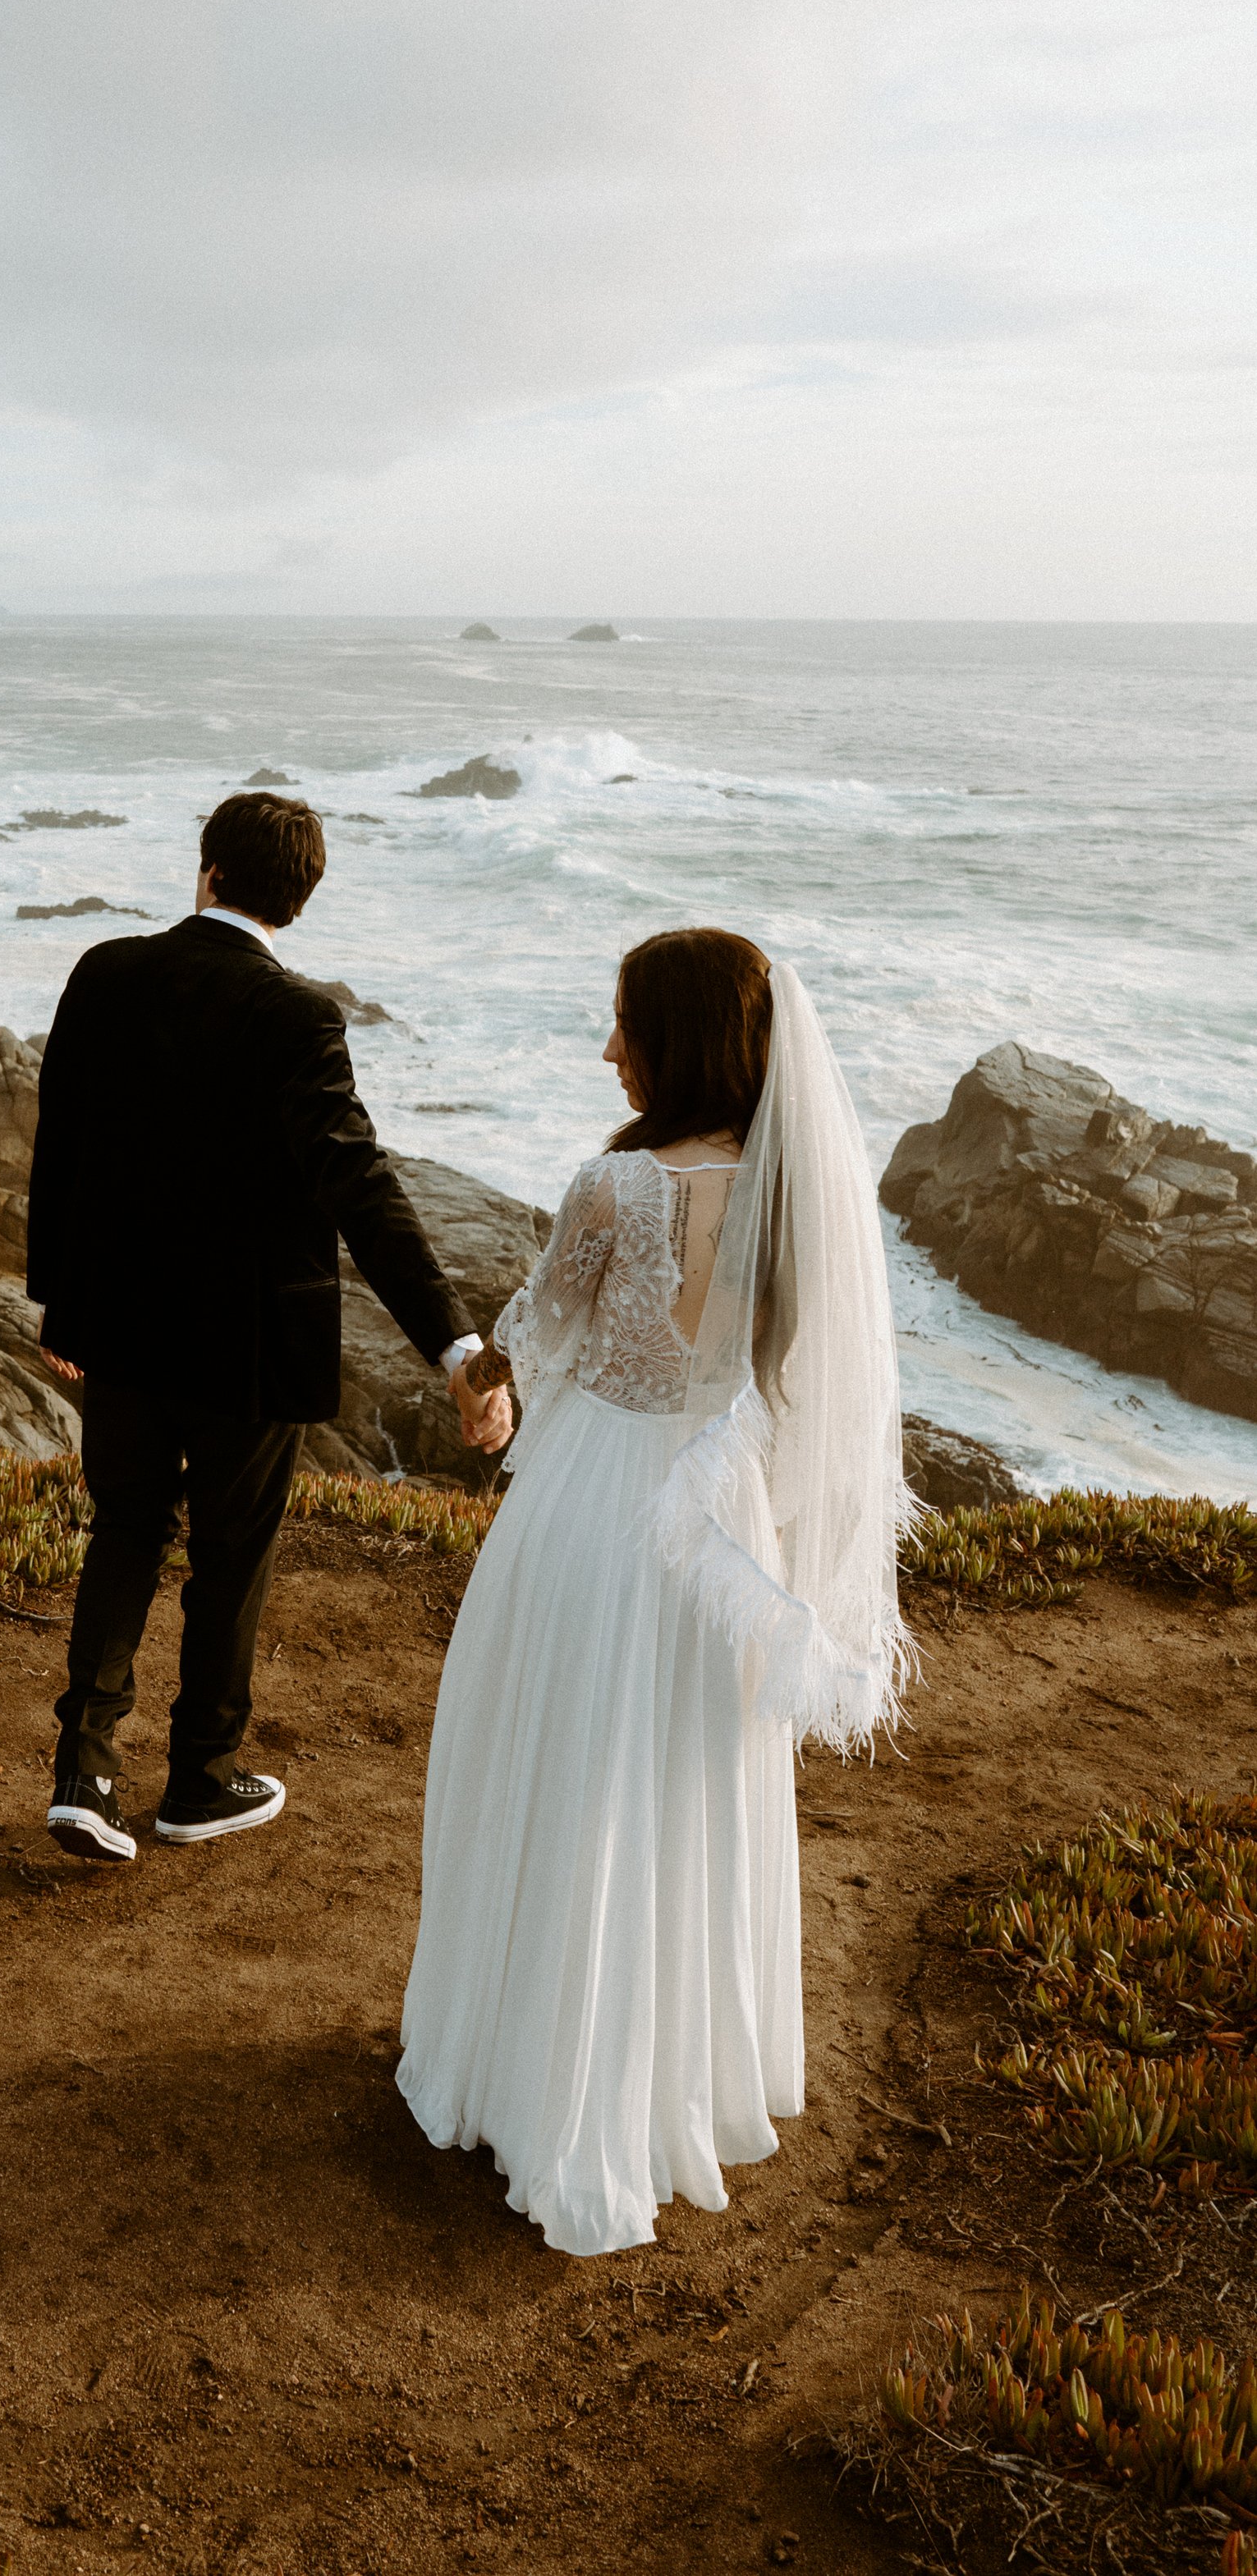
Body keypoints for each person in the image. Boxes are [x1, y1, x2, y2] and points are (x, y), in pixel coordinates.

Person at [397, 928, 915, 2257]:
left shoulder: (614, 1186)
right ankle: (671, 2079)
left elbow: (540, 1343)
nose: (606, 1048)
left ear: (675, 1039)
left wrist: (487, 1386)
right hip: (721, 1520)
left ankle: (534, 2069)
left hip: (598, 1515)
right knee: (680, 1779)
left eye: (622, 1023)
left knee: (558, 1768)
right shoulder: (800, 1196)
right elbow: (793, 1369)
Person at [28, 790, 510, 1863]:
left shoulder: (106, 973)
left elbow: (62, 1140)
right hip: (245, 1343)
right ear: (299, 903)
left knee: (125, 1532)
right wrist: (457, 1345)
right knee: (230, 1557)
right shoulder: (296, 1016)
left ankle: (85, 1774)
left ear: (206, 871)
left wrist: (60, 1299)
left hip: (122, 1325)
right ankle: (198, 1780)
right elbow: (360, 1187)